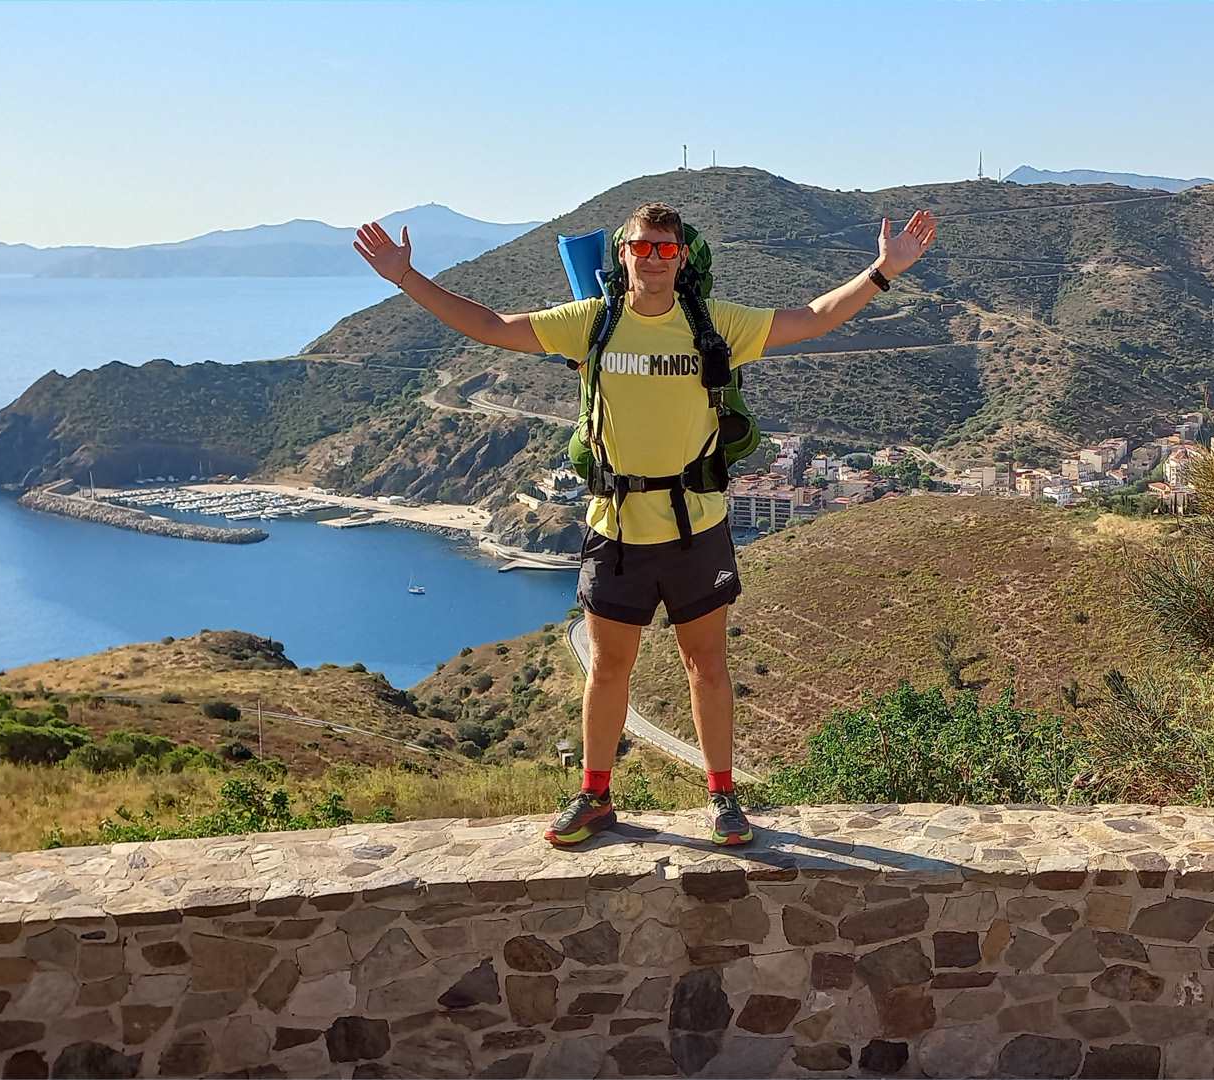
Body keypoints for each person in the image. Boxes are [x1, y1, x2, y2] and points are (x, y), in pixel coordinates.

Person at [354, 200, 938, 846]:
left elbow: (814, 319)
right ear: (623, 254)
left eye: (665, 248)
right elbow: (492, 326)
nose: (653, 258)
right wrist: (406, 278)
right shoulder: (593, 323)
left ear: (681, 256)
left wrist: (884, 271)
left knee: (707, 667)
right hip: (616, 529)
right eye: (641, 247)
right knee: (607, 670)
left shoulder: (712, 322)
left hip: (697, 526)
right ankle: (595, 795)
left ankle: (723, 798)